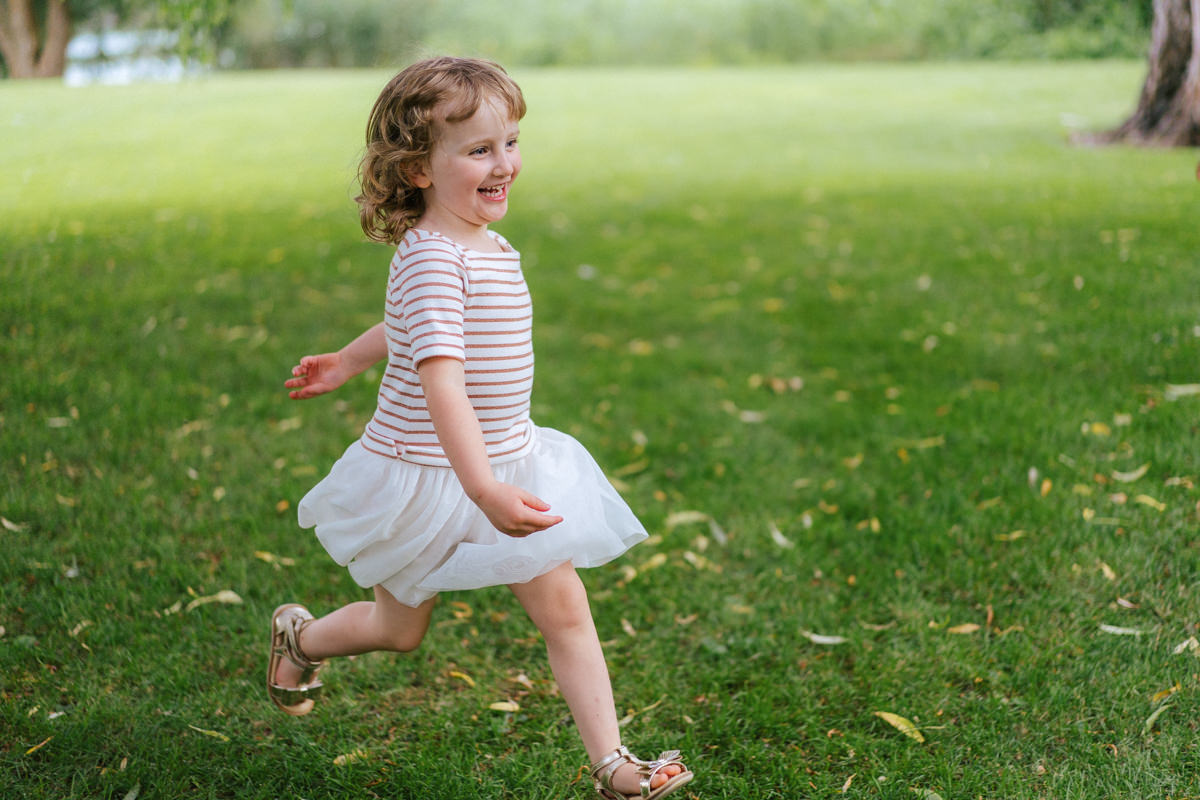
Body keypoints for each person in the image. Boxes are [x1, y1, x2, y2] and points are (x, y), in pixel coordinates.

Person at [266, 57, 693, 800]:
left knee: (565, 610)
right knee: (399, 631)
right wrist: (483, 489)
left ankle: (613, 766)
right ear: (417, 169)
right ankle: (299, 638)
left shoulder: (483, 243)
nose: (504, 165)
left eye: (511, 143)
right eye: (479, 150)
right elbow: (443, 383)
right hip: (430, 477)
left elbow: (409, 325)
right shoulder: (434, 259)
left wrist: (349, 359)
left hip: (507, 462)